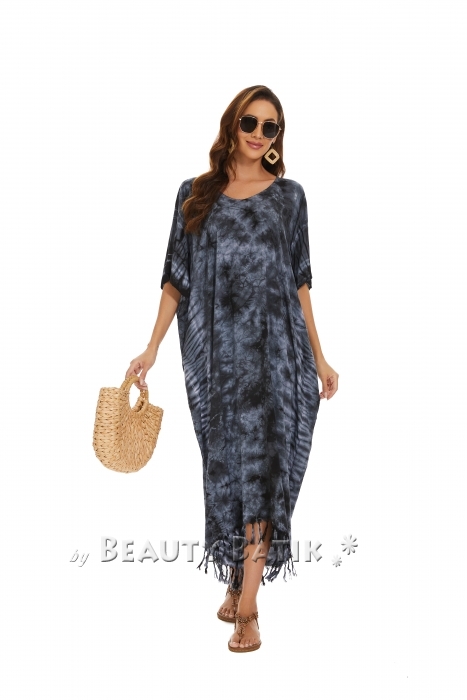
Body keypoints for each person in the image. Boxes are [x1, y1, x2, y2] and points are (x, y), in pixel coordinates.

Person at [126, 85, 339, 653]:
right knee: (225, 472)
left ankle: (248, 606)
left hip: (276, 360)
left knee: (265, 475)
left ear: (278, 138)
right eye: (251, 122)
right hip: (220, 364)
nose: (259, 134)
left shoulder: (290, 198)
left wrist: (318, 355)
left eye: (271, 127)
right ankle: (235, 575)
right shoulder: (194, 194)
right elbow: (176, 279)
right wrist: (150, 348)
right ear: (232, 124)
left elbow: (300, 282)